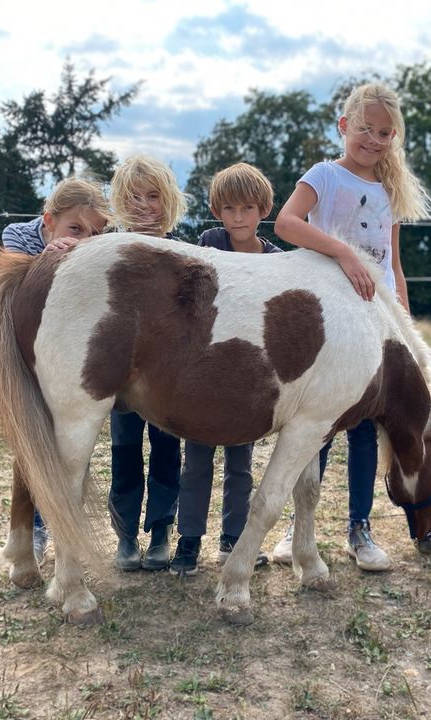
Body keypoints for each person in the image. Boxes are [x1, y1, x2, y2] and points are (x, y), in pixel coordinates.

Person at [272, 83, 431, 571]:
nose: (374, 139)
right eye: (365, 128)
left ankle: (359, 529)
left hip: (377, 325)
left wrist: (404, 324)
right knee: (317, 428)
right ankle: (297, 528)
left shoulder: (389, 192)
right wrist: (344, 252)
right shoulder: (325, 175)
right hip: (333, 318)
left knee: (365, 431)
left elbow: (394, 267)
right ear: (344, 126)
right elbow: (285, 222)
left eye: (385, 132)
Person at [168, 162, 282, 576]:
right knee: (195, 462)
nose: (239, 217)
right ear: (218, 211)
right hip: (205, 372)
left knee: (241, 465)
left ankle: (234, 538)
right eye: (230, 208)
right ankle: (188, 540)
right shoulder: (207, 247)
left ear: (263, 210)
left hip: (249, 378)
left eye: (248, 208)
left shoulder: (275, 260)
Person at [1, 176, 111, 563]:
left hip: (66, 351)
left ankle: (34, 533)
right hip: (20, 346)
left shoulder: (90, 249)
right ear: (49, 220)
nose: (83, 240)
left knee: (62, 440)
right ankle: (29, 531)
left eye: (95, 233)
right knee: (31, 437)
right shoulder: (18, 236)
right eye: (75, 229)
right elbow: (19, 290)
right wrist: (48, 257)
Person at [107, 154, 188, 571]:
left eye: (153, 196)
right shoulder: (109, 251)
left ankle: (160, 531)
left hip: (167, 377)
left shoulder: (182, 255)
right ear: (119, 201)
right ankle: (124, 536)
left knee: (165, 452)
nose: (143, 205)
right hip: (120, 375)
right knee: (123, 451)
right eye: (133, 197)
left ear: (168, 200)